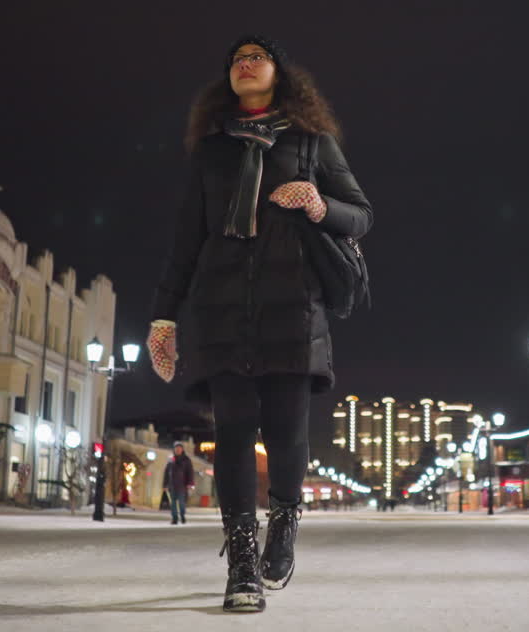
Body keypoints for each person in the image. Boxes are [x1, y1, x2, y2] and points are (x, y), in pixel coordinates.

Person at [148, 35, 372, 613]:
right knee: (234, 435)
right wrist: (163, 319)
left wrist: (319, 204)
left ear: (279, 73)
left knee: (287, 434)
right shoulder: (212, 153)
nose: (245, 65)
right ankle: (242, 561)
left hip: (293, 308)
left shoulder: (311, 143)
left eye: (257, 58)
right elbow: (185, 241)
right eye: (236, 61)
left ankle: (285, 522)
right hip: (221, 310)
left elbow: (361, 215)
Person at [163, 442, 196, 525]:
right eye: (176, 448)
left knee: (181, 503)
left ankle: (182, 515)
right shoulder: (171, 459)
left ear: (182, 449)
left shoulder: (186, 460)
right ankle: (174, 518)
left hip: (182, 485)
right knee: (173, 503)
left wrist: (190, 483)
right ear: (174, 449)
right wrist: (165, 484)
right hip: (172, 485)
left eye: (179, 448)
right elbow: (167, 472)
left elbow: (190, 472)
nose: (178, 450)